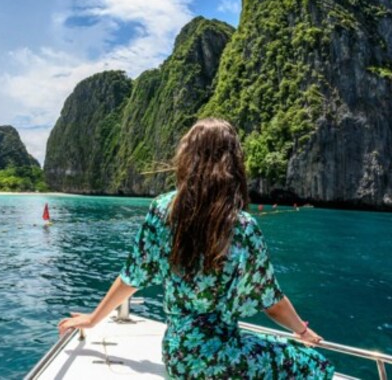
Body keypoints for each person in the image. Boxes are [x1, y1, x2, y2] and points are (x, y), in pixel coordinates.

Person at [58, 118, 334, 378]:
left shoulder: (162, 210)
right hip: (222, 355)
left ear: (188, 158)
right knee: (315, 365)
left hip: (177, 357)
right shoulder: (243, 226)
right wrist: (303, 331)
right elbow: (271, 302)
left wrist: (94, 319)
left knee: (263, 345)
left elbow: (132, 277)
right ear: (233, 163)